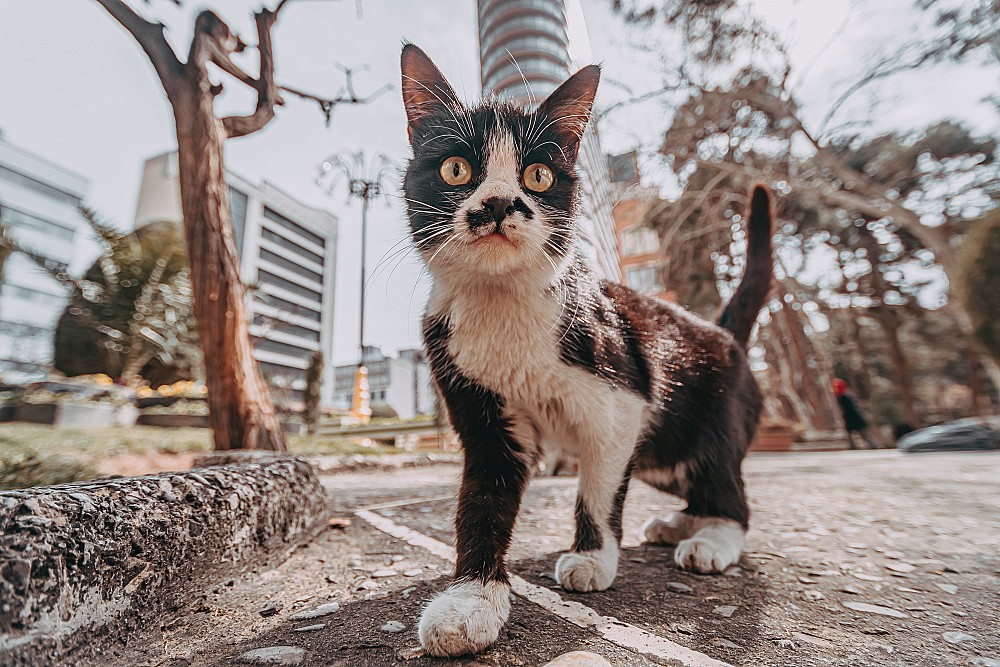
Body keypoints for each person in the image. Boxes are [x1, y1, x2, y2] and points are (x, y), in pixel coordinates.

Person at [833, 379, 879, 449]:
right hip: (853, 418)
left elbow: (849, 409)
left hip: (854, 419)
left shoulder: (844, 396)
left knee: (863, 434)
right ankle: (852, 446)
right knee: (852, 434)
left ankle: (874, 446)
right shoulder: (845, 395)